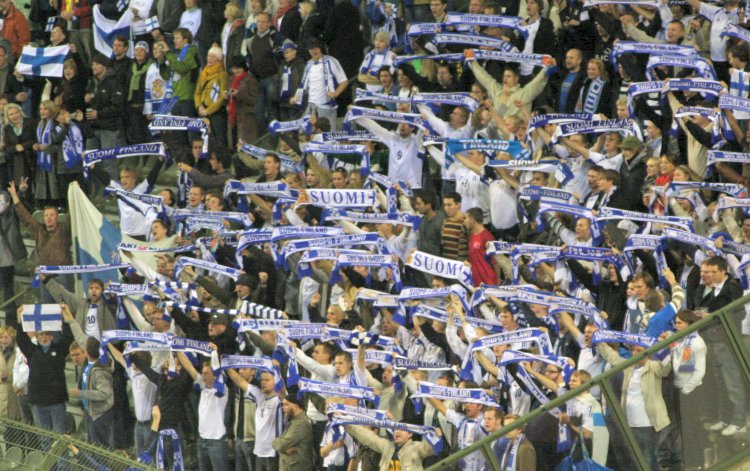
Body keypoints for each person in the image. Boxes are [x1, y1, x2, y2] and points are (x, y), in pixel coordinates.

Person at [14, 305, 74, 435]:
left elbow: (68, 338)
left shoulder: (59, 350)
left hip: (57, 401)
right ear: (37, 336)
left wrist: (65, 319)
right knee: (44, 437)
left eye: (47, 334)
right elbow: (21, 339)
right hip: (38, 401)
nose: (45, 337)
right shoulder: (32, 352)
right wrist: (20, 321)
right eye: (42, 334)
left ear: (52, 336)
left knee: (59, 437)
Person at [63, 303, 115, 448]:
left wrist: (81, 393)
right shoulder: (90, 363)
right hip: (91, 412)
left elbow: (103, 393)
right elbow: (80, 338)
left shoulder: (100, 371)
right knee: (93, 449)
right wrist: (71, 320)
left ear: (86, 352)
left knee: (100, 451)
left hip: (100, 416)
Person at [291, 37, 348, 130]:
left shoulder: (330, 61)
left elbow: (344, 81)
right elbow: (304, 85)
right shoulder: (309, 64)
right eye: (311, 48)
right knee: (305, 134)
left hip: (326, 106)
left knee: (328, 137)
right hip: (311, 106)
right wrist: (296, 98)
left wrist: (335, 93)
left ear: (320, 47)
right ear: (308, 50)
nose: (314, 50)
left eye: (316, 47)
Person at [272, 394, 314, 471]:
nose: (283, 407)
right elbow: (281, 444)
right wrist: (283, 447)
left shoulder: (300, 424)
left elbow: (281, 445)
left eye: (286, 405)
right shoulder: (294, 421)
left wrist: (280, 445)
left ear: (296, 406)